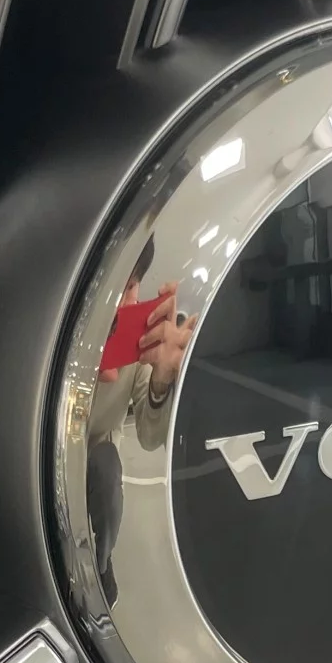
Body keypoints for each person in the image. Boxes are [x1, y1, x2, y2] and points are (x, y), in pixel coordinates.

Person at [87, 238, 196, 605]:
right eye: (107, 285)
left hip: (96, 460)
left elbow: (150, 437)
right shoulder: (54, 330)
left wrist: (162, 381)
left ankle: (102, 561)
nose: (119, 302)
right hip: (39, 458)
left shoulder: (138, 340)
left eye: (130, 285)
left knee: (106, 465)